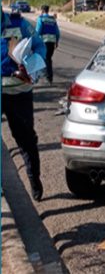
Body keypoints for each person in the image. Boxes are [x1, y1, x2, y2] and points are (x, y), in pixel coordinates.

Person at [2, 10, 47, 201]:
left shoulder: (18, 23)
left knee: (26, 140)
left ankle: (34, 179)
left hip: (19, 93)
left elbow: (40, 47)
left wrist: (28, 65)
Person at [36, 5, 60, 84]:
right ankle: (50, 77)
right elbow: (57, 32)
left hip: (44, 42)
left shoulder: (41, 19)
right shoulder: (53, 20)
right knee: (49, 59)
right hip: (52, 42)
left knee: (42, 58)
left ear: (42, 11)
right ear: (48, 10)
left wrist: (35, 40)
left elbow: (38, 31)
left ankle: (43, 76)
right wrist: (56, 42)